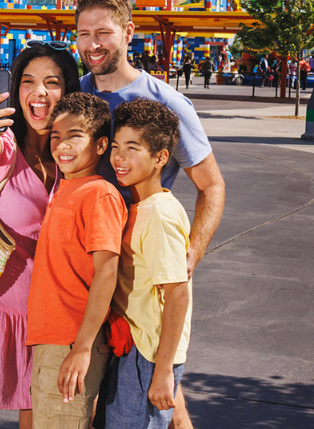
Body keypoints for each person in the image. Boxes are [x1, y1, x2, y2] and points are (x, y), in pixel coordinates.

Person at [73, 0, 225, 429]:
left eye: (104, 32)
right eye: (84, 33)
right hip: (87, 265)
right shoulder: (77, 93)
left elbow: (211, 185)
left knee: (146, 387)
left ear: (128, 33)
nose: (93, 43)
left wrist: (191, 252)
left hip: (139, 271)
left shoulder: (167, 103)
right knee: (139, 397)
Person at [0, 43, 81, 429]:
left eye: (52, 82)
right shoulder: (4, 148)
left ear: (67, 91)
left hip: (47, 323)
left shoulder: (67, 157)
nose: (39, 93)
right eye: (28, 82)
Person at [27, 92, 125, 428]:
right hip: (49, 339)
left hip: (72, 340)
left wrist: (82, 348)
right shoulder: (64, 188)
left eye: (74, 136)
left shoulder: (99, 194)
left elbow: (107, 272)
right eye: (56, 136)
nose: (62, 145)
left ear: (100, 146)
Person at [104, 100, 193, 429]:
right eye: (115, 147)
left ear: (160, 158)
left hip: (149, 357)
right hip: (135, 348)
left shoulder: (159, 215)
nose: (119, 157)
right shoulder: (137, 206)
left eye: (132, 148)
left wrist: (164, 371)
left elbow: (177, 295)